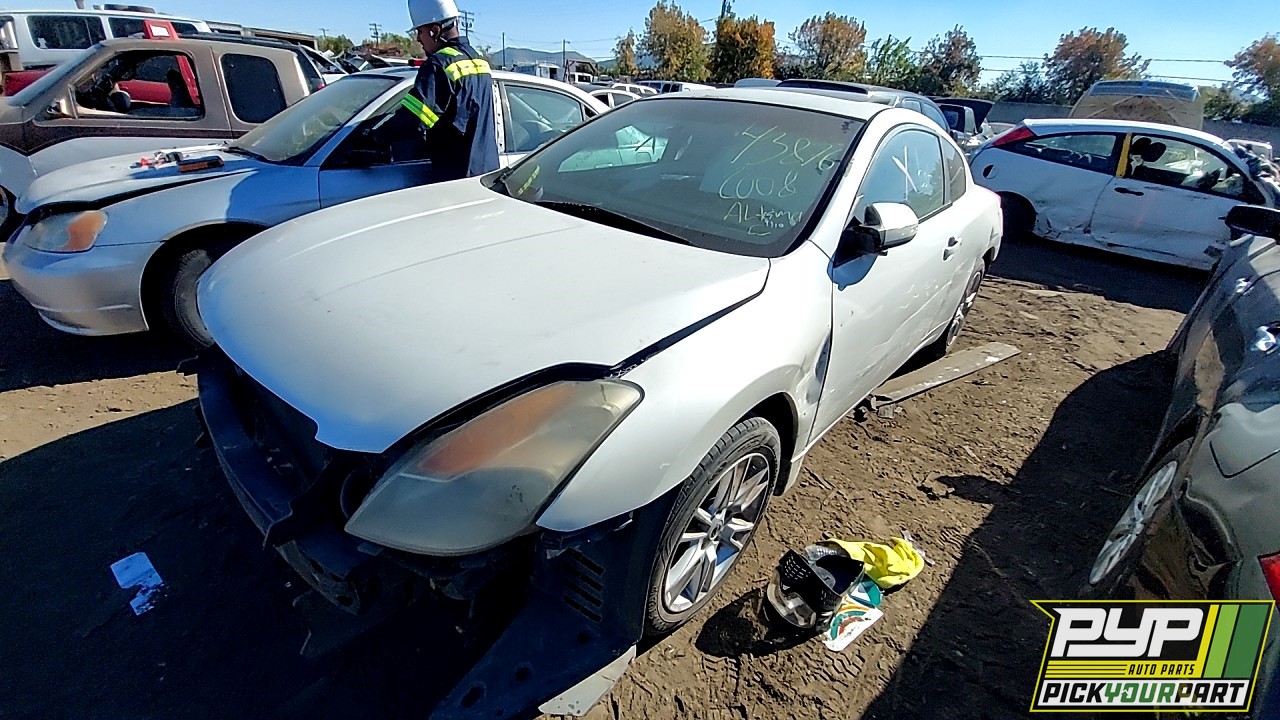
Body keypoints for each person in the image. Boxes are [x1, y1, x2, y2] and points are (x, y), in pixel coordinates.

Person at [401, 0, 499, 180]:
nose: (418, 39)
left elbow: (412, 120)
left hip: (455, 179)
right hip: (487, 175)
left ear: (435, 31)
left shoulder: (439, 65)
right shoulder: (479, 62)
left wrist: (373, 138)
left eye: (420, 32)